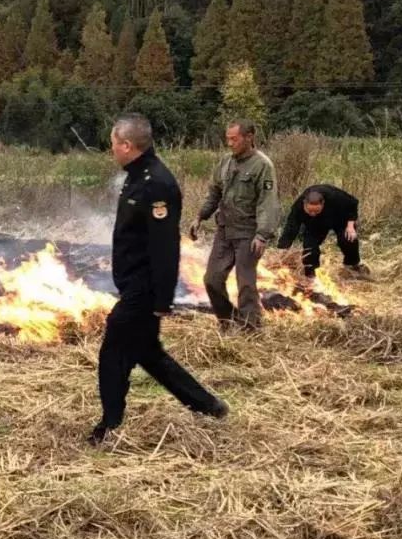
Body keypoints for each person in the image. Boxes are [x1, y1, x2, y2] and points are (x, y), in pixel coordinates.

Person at [91, 114, 227, 444]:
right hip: (134, 283)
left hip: (144, 288)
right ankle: (209, 407)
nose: (112, 151)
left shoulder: (156, 184)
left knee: (113, 354)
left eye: (114, 145)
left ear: (127, 145)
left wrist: (163, 299)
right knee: (148, 353)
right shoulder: (137, 175)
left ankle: (109, 426)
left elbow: (165, 247)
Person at [189, 120, 281, 331]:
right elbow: (214, 193)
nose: (229, 143)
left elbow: (268, 203)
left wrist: (262, 235)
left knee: (246, 284)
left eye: (234, 139)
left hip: (248, 234)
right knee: (212, 279)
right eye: (228, 139)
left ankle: (251, 328)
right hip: (225, 230)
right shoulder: (225, 163)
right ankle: (228, 321)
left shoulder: (262, 165)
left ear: (249, 137)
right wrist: (200, 217)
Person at [276, 185, 369, 280]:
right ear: (304, 203)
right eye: (310, 211)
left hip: (340, 219)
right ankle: (311, 275)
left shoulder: (334, 196)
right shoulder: (298, 207)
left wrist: (350, 226)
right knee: (309, 247)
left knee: (348, 239)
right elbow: (291, 227)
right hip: (315, 224)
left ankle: (352, 265)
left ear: (323, 203)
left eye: (316, 211)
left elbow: (353, 203)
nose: (313, 213)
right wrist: (283, 248)